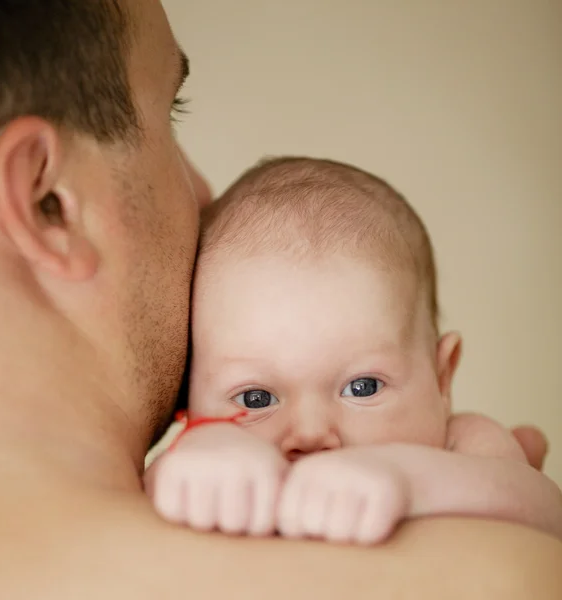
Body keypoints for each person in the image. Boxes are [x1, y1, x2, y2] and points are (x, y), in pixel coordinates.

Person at [0, 1, 560, 599]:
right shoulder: (508, 577)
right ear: (51, 200)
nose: (204, 192)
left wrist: (418, 481)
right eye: (172, 113)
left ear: (442, 372)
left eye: (364, 386)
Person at [146, 157, 562, 543]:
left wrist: (408, 480)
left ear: (441, 378)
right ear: (189, 394)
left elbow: (547, 510)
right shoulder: (202, 453)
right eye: (256, 398)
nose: (311, 434)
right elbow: (153, 498)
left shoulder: (464, 444)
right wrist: (207, 457)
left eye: (362, 387)